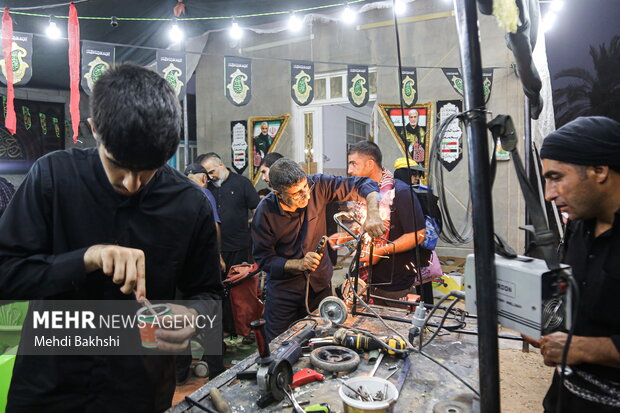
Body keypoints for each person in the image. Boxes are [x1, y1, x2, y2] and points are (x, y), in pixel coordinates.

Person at [0, 64, 223, 413]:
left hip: (139, 389)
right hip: (49, 386)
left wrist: (193, 316)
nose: (133, 184)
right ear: (94, 130)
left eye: (148, 169)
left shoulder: (190, 204)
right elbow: (5, 272)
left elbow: (209, 293)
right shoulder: (53, 177)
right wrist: (84, 258)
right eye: (119, 165)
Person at [536, 116, 620, 412]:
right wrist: (545, 327)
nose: (549, 194)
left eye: (557, 177)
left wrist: (582, 348)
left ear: (599, 170)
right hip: (564, 399)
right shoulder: (578, 225)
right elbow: (567, 289)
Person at [251, 158, 385, 341]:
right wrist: (297, 264)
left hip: (319, 286)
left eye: (305, 187)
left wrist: (373, 213)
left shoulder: (318, 185)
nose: (306, 195)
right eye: (297, 193)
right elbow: (264, 259)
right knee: (279, 346)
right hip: (284, 292)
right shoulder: (264, 212)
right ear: (278, 193)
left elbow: (365, 183)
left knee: (322, 339)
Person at [331, 141, 429, 307]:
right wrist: (346, 236)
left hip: (393, 285)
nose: (349, 170)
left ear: (370, 164)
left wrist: (381, 251)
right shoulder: (358, 193)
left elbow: (418, 235)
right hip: (361, 278)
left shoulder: (400, 192)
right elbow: (364, 228)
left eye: (354, 164)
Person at [199, 153, 260, 272]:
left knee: (238, 285)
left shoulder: (242, 183)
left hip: (239, 246)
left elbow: (257, 210)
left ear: (221, 164)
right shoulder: (208, 188)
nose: (211, 177)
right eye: (208, 174)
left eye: (212, 172)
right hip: (215, 248)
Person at [184, 162, 226, 272]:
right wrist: (218, 255)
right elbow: (214, 226)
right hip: (203, 256)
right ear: (203, 178)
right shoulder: (204, 193)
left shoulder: (179, 195)